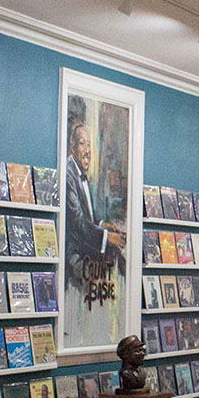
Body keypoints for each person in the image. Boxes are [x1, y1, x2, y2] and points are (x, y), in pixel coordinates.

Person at [64, 118, 126, 285]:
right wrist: (107, 237)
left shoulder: (81, 174)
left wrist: (102, 224)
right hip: (74, 252)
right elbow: (77, 221)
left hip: (87, 243)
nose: (87, 151)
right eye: (82, 144)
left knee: (121, 259)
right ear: (72, 147)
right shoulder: (68, 174)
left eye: (89, 145)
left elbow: (87, 216)